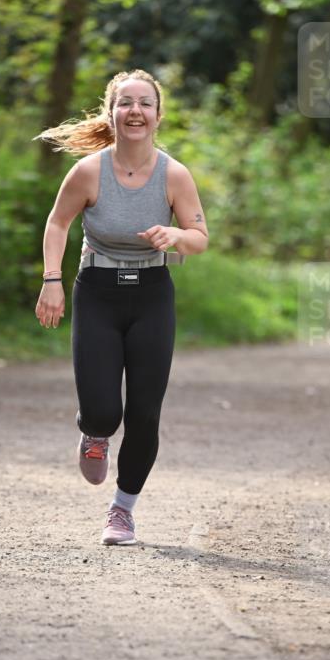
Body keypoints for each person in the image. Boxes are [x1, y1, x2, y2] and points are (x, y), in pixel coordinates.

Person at [34, 69, 208, 545]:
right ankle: (93, 433)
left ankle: (122, 510)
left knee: (145, 413)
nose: (135, 111)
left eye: (145, 103)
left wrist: (176, 235)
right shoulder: (89, 171)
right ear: (111, 113)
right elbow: (57, 224)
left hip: (152, 295)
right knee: (104, 410)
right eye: (125, 102)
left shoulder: (175, 175)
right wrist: (53, 281)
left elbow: (199, 237)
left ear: (157, 115)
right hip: (98, 292)